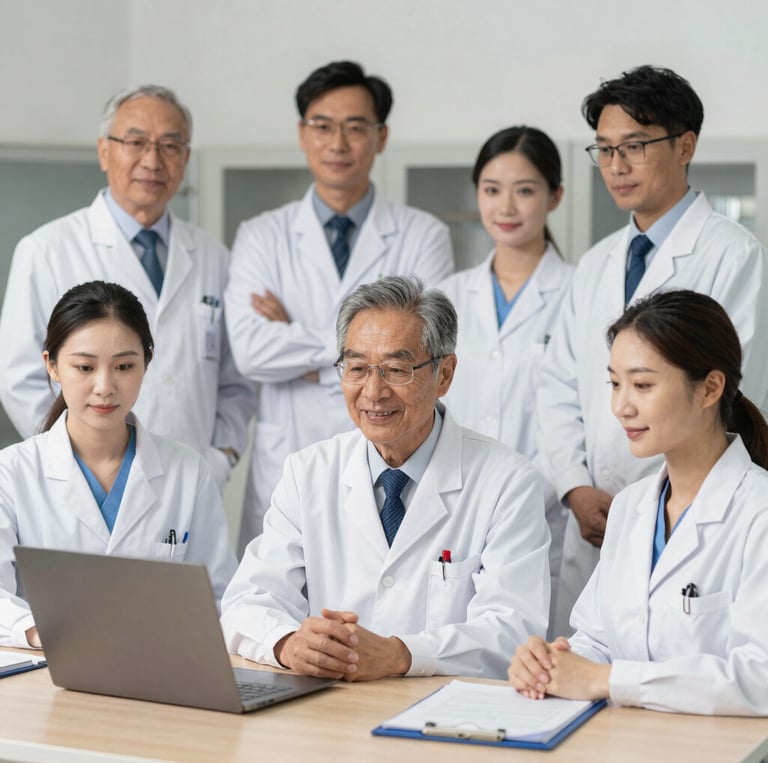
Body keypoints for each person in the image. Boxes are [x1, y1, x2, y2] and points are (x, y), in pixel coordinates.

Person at [220, 276, 549, 681]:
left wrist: (402, 655)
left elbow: (513, 632)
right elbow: (246, 603)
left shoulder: (507, 483)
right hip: (332, 713)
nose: (373, 392)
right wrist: (287, 644)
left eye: (396, 369)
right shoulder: (308, 472)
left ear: (444, 374)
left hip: (445, 717)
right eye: (357, 368)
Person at [536, 65, 768, 636]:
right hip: (591, 516)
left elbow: (727, 387)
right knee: (586, 662)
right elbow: (558, 383)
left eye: (634, 147)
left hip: (685, 506)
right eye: (605, 150)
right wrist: (575, 487)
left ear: (685, 145)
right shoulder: (596, 263)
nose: (616, 166)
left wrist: (638, 503)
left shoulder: (732, 254)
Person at [225, 61, 454, 554]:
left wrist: (294, 338)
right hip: (287, 457)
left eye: (356, 128)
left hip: (392, 459)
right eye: (323, 126)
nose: (338, 143)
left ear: (382, 136)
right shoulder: (262, 235)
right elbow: (249, 351)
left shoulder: (423, 234)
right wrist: (372, 355)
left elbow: (428, 348)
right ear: (302, 134)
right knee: (279, 607)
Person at [510, 290, 768, 716]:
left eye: (642, 385)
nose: (620, 406)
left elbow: (759, 678)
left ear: (710, 388)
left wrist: (604, 680)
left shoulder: (757, 513)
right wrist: (549, 664)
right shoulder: (632, 507)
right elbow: (596, 639)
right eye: (614, 383)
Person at [0, 85, 253, 489]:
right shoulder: (45, 249)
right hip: (84, 478)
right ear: (104, 151)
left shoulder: (212, 255)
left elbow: (234, 380)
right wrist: (75, 458)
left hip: (191, 477)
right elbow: (19, 376)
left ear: (185, 158)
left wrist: (222, 455)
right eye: (135, 142)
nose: (152, 160)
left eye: (170, 146)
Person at [0, 281, 237, 649]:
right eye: (84, 367)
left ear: (147, 362)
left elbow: (221, 598)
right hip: (47, 673)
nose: (105, 386)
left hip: (161, 674)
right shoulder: (11, 473)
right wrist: (41, 631)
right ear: (52, 366)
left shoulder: (188, 471)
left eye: (124, 366)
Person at [438, 126, 572, 624]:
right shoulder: (447, 295)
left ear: (555, 196)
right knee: (457, 650)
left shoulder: (581, 292)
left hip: (551, 512)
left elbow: (584, 414)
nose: (506, 207)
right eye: (492, 190)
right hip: (458, 509)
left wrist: (534, 491)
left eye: (525, 190)